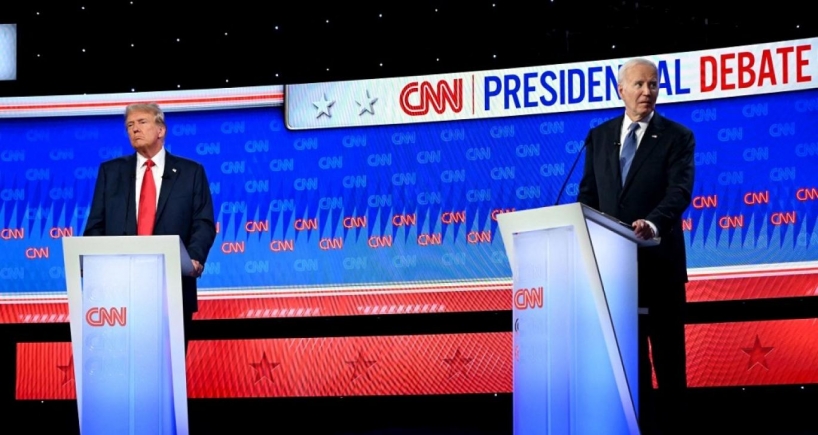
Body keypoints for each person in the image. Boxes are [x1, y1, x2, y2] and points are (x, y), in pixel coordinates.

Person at [577, 58, 694, 434]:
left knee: (669, 364)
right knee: (630, 366)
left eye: (653, 84)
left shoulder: (677, 136)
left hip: (660, 268)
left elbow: (680, 192)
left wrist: (653, 223)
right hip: (615, 273)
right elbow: (588, 195)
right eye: (640, 84)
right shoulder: (599, 136)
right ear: (621, 90)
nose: (647, 91)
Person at [83, 102, 217, 351]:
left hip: (173, 287)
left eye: (142, 122)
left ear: (161, 130)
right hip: (117, 291)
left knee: (169, 363)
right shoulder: (110, 172)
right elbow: (95, 226)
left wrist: (194, 258)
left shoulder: (191, 172)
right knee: (120, 360)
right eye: (129, 125)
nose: (135, 129)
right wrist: (95, 267)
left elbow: (204, 222)